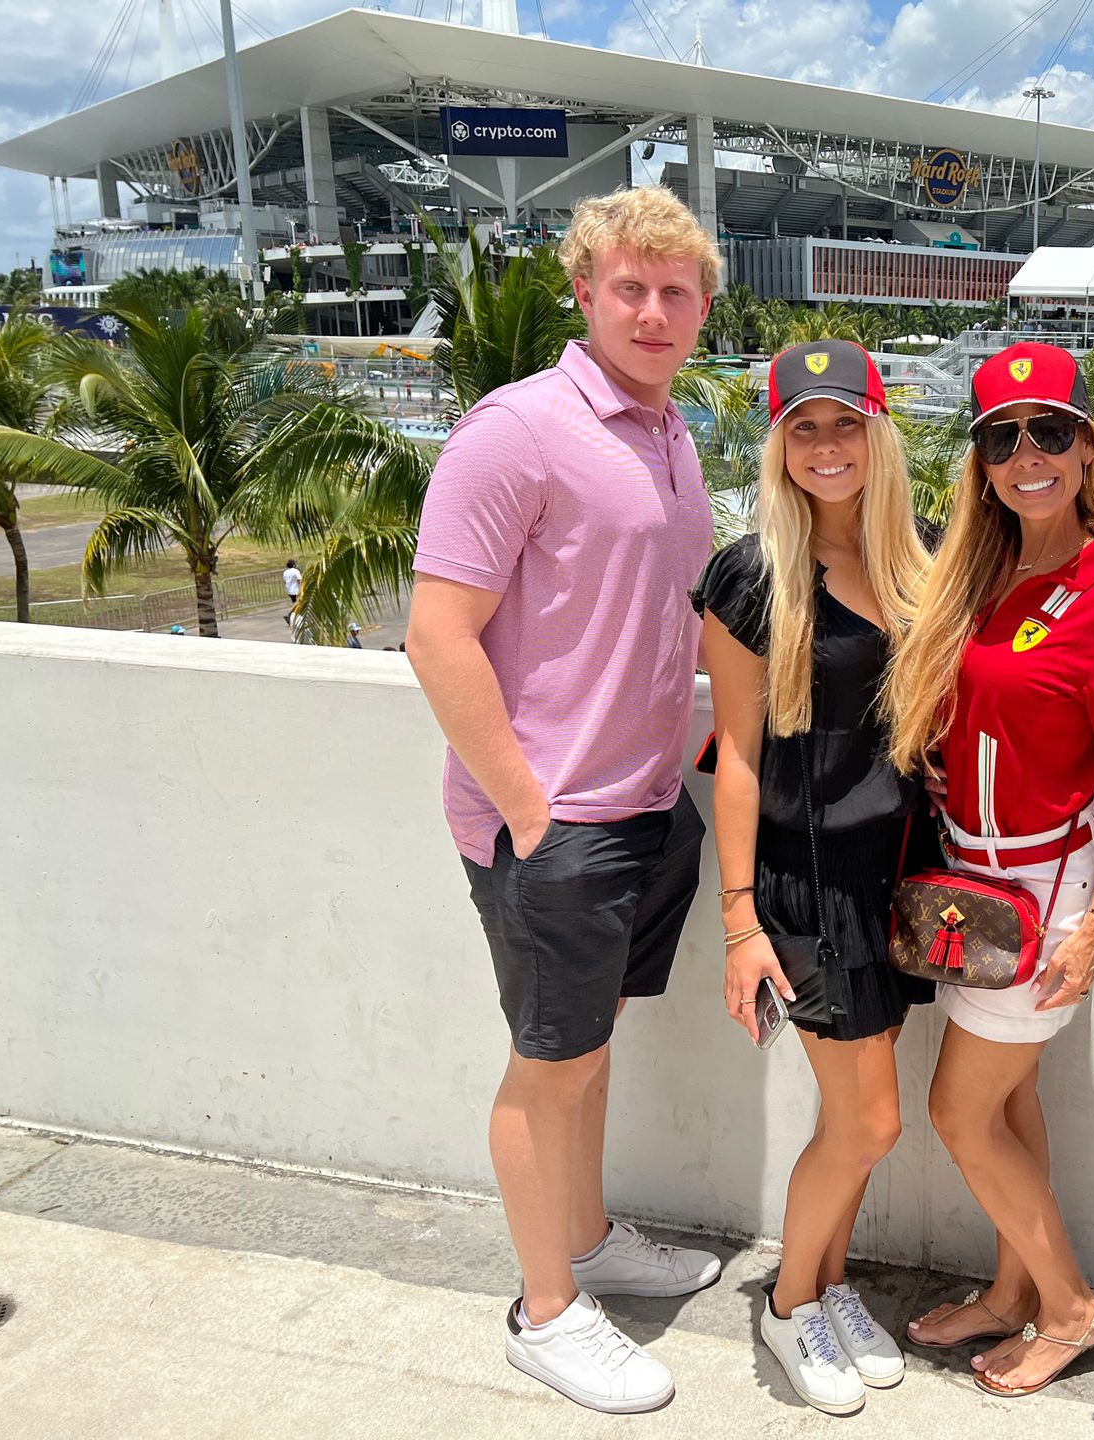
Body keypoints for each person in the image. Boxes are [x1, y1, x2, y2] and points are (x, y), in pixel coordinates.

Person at [406, 186, 722, 1416]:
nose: (653, 310)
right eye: (629, 288)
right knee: (547, 1066)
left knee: (589, 1052)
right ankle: (547, 1311)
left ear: (702, 307)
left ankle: (586, 1240)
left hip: (646, 808)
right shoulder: (517, 429)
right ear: (584, 294)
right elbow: (439, 636)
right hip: (554, 821)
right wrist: (530, 812)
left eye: (676, 291)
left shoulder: (672, 434)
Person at [886, 342, 1094, 1398]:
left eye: (1050, 431)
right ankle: (1012, 1291)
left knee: (960, 1113)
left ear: (1087, 447)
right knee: (1008, 1106)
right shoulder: (978, 567)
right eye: (1001, 439)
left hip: (1048, 888)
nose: (1026, 456)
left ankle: (1070, 1306)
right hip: (972, 875)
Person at [692, 340, 933, 1417]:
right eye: (805, 427)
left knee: (856, 1120)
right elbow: (736, 755)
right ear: (779, 444)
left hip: (897, 882)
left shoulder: (924, 559)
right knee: (870, 1123)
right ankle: (791, 1304)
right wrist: (740, 921)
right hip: (806, 884)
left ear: (879, 435)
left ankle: (829, 1281)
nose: (826, 447)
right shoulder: (751, 575)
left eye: (846, 424)